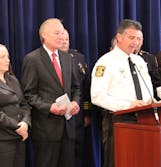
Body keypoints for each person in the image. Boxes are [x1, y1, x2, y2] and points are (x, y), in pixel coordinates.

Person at [91, 19, 153, 167]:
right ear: (119, 37)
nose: (135, 42)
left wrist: (152, 102)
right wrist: (128, 105)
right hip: (119, 120)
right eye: (131, 37)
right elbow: (97, 96)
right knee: (118, 161)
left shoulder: (138, 61)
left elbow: (148, 89)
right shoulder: (105, 62)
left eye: (138, 38)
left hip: (144, 118)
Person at [21, 18, 80, 167]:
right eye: (57, 33)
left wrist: (75, 102)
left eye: (62, 33)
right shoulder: (32, 59)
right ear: (44, 35)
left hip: (68, 128)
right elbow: (28, 94)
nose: (61, 37)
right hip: (46, 130)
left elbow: (76, 87)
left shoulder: (67, 58)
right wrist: (49, 107)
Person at [59, 29, 92, 167]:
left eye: (67, 38)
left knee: (77, 151)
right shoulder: (46, 60)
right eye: (62, 38)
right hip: (58, 113)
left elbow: (86, 87)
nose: (65, 41)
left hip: (77, 113)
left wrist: (87, 112)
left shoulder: (79, 58)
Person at [134, 31, 161, 99]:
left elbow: (156, 82)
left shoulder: (149, 58)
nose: (136, 42)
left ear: (142, 41)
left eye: (139, 39)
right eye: (134, 39)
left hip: (148, 99)